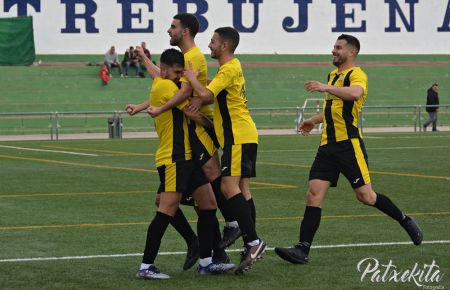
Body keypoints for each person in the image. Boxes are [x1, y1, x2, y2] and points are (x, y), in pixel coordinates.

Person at [273, 34, 423, 265]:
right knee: (313, 193)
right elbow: (332, 110)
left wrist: (325, 87)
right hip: (326, 146)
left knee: (366, 196)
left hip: (348, 145)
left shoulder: (357, 74)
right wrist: (313, 121)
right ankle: (302, 249)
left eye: (338, 47)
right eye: (333, 46)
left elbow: (355, 94)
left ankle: (404, 219)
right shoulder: (333, 76)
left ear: (351, 52)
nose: (333, 50)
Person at [130, 13, 242, 250]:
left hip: (197, 126)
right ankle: (207, 249)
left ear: (185, 31)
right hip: (186, 129)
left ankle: (233, 223)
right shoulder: (184, 57)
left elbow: (181, 93)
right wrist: (144, 102)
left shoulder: (194, 57)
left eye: (173, 27)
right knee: (185, 199)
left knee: (211, 177)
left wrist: (159, 108)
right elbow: (166, 82)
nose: (168, 30)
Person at [134, 49, 235, 280]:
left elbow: (172, 88)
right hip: (173, 158)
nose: (180, 76)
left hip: (187, 159)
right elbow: (186, 94)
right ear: (166, 70)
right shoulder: (166, 86)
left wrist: (144, 58)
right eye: (177, 72)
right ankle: (146, 266)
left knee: (209, 205)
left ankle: (206, 262)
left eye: (182, 73)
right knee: (166, 209)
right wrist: (193, 77)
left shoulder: (168, 83)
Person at [184, 26, 266, 274]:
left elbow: (205, 93)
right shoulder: (229, 69)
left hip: (239, 137)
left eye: (213, 41)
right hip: (241, 136)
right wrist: (203, 119)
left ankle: (253, 242)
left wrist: (191, 77)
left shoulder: (229, 68)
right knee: (242, 190)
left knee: (227, 187)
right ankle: (249, 242)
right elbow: (212, 99)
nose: (209, 45)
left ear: (225, 46)